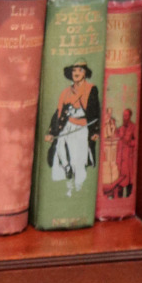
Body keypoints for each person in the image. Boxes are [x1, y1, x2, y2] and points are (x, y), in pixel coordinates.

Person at [46, 61, 100, 194]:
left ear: (85, 73)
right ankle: (68, 173)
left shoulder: (91, 89)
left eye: (80, 70)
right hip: (67, 127)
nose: (76, 73)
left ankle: (78, 189)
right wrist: (52, 131)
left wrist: (95, 131)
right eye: (74, 70)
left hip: (82, 128)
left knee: (78, 160)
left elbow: (95, 112)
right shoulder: (65, 92)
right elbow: (58, 113)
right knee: (60, 151)